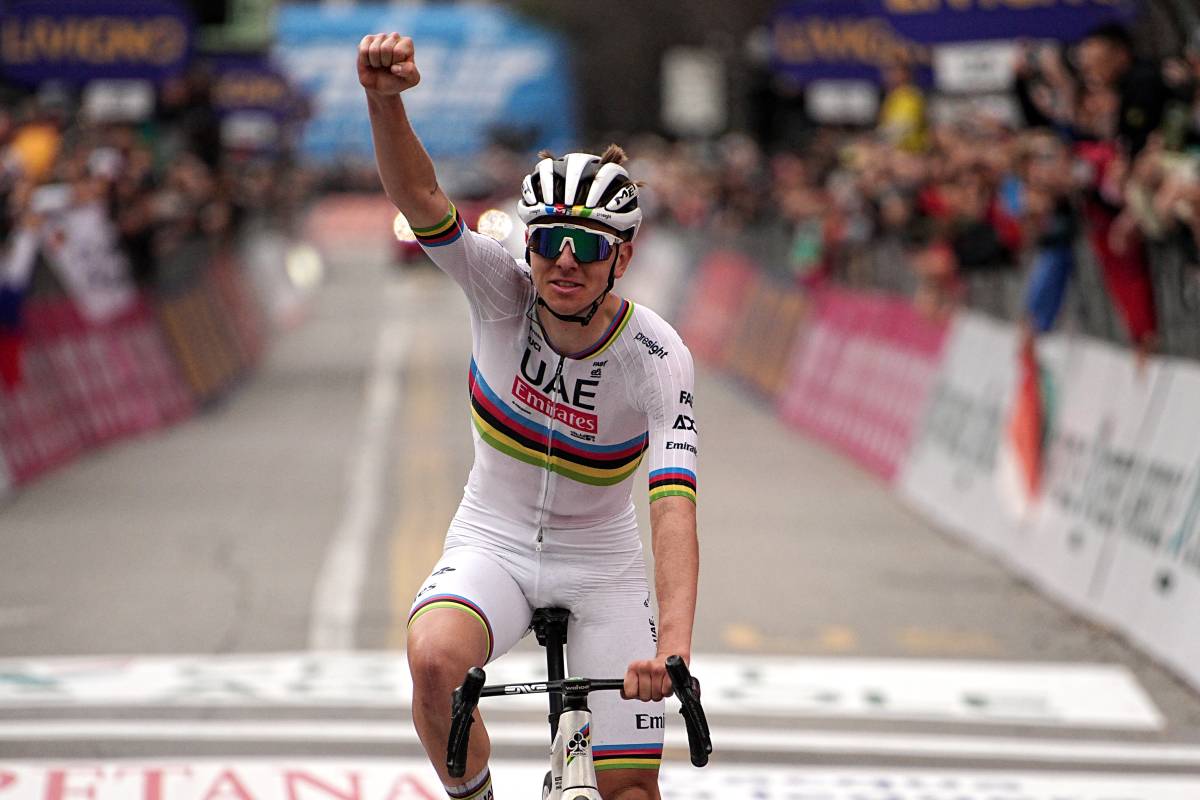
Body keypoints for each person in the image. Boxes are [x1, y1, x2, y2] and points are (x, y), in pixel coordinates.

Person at [358, 33, 700, 800]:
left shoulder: (657, 354)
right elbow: (420, 202)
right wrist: (386, 100)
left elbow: (674, 504)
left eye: (587, 244)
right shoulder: (498, 287)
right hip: (496, 539)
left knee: (632, 795)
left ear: (624, 256)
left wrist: (672, 648)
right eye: (549, 242)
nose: (565, 262)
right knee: (433, 660)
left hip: (604, 563)